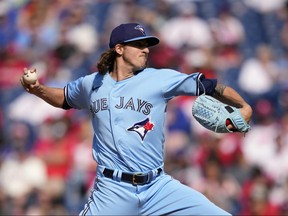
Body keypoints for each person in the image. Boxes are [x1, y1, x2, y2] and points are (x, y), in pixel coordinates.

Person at [20, 23, 252, 215]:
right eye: (139, 45)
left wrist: (243, 106)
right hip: (113, 191)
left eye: (147, 45)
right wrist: (38, 89)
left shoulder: (159, 79)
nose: (146, 50)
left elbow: (210, 85)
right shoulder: (92, 84)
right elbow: (64, 98)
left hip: (158, 187)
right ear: (119, 49)